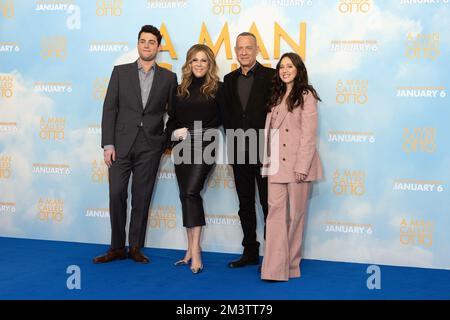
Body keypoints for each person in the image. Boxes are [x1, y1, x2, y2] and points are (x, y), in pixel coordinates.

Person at [93, 25, 177, 264]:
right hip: (120, 145)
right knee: (116, 193)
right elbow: (109, 109)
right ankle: (117, 247)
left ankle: (135, 248)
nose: (147, 45)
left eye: (152, 41)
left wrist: (164, 141)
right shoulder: (120, 72)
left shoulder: (169, 78)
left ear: (158, 47)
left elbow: (175, 113)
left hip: (150, 147)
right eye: (143, 41)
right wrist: (108, 144)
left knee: (142, 197)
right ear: (138, 44)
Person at [260, 52, 323, 281]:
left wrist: (302, 166)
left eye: (290, 66)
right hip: (275, 166)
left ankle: (292, 266)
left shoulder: (306, 95)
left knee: (296, 216)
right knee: (274, 216)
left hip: (298, 166)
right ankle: (274, 269)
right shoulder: (276, 96)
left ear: (298, 69)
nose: (285, 70)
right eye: (281, 66)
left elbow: (308, 135)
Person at [166, 44, 222, 274]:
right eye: (194, 60)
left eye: (203, 60)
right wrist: (173, 134)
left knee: (191, 192)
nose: (199, 64)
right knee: (184, 195)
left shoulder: (218, 88)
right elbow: (172, 120)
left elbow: (221, 119)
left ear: (210, 64)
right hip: (182, 147)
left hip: (205, 144)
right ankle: (189, 250)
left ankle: (196, 250)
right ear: (188, 64)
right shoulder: (179, 90)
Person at [221, 32, 276, 268]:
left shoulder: (271, 76)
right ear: (235, 50)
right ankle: (250, 252)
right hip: (237, 149)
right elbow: (225, 114)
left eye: (248, 48)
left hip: (264, 151)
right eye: (240, 48)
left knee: (268, 203)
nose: (244, 52)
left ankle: (274, 255)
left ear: (257, 50)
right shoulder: (228, 78)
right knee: (245, 204)